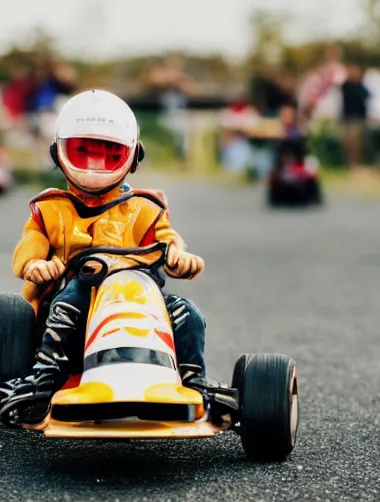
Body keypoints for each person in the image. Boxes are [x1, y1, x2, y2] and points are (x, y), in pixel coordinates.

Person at [0, 89, 220, 424]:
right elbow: (32, 243)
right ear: (59, 153)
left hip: (136, 297)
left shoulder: (145, 209)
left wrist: (178, 257)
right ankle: (45, 379)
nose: (95, 165)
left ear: (132, 157)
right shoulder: (50, 209)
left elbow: (167, 240)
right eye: (83, 152)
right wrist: (36, 265)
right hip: (76, 294)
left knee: (187, 313)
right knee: (67, 302)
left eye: (109, 154)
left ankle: (193, 382)